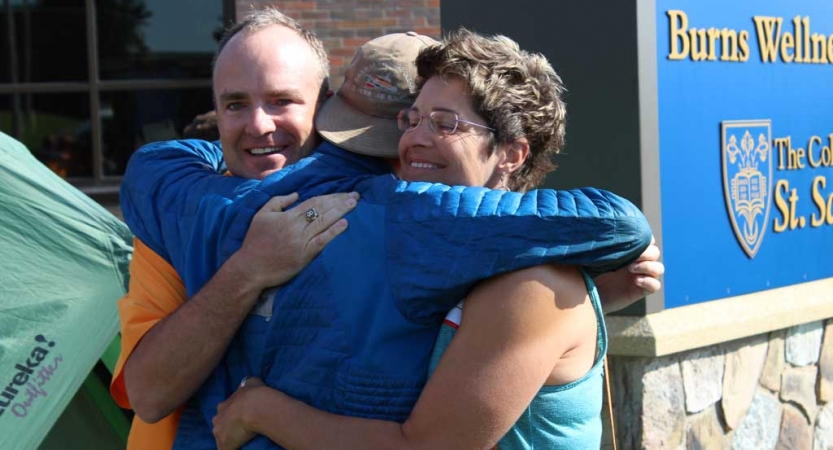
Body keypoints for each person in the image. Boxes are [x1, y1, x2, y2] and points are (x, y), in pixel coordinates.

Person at [120, 26, 658, 450]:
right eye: (411, 120)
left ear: (513, 151)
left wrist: (261, 411)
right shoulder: (393, 221)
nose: (412, 142)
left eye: (443, 123)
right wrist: (249, 268)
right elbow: (147, 393)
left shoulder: (503, 262)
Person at [108, 9, 362, 450]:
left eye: (281, 100)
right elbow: (149, 395)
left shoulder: (370, 204)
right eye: (236, 104)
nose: (259, 125)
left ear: (324, 104)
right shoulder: (179, 214)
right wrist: (249, 269)